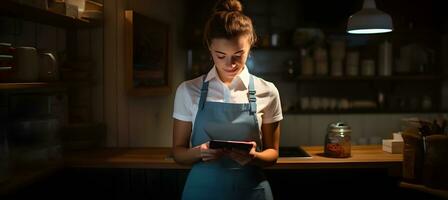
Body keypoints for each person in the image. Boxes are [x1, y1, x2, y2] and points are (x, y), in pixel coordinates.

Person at [172, 0, 283, 199]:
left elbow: (272, 154)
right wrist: (200, 152)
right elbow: (179, 153)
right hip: (201, 191)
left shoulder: (268, 91)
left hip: (252, 191)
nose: (230, 64)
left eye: (238, 55)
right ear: (209, 47)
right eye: (220, 55)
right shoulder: (188, 90)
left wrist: (254, 157)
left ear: (250, 45)